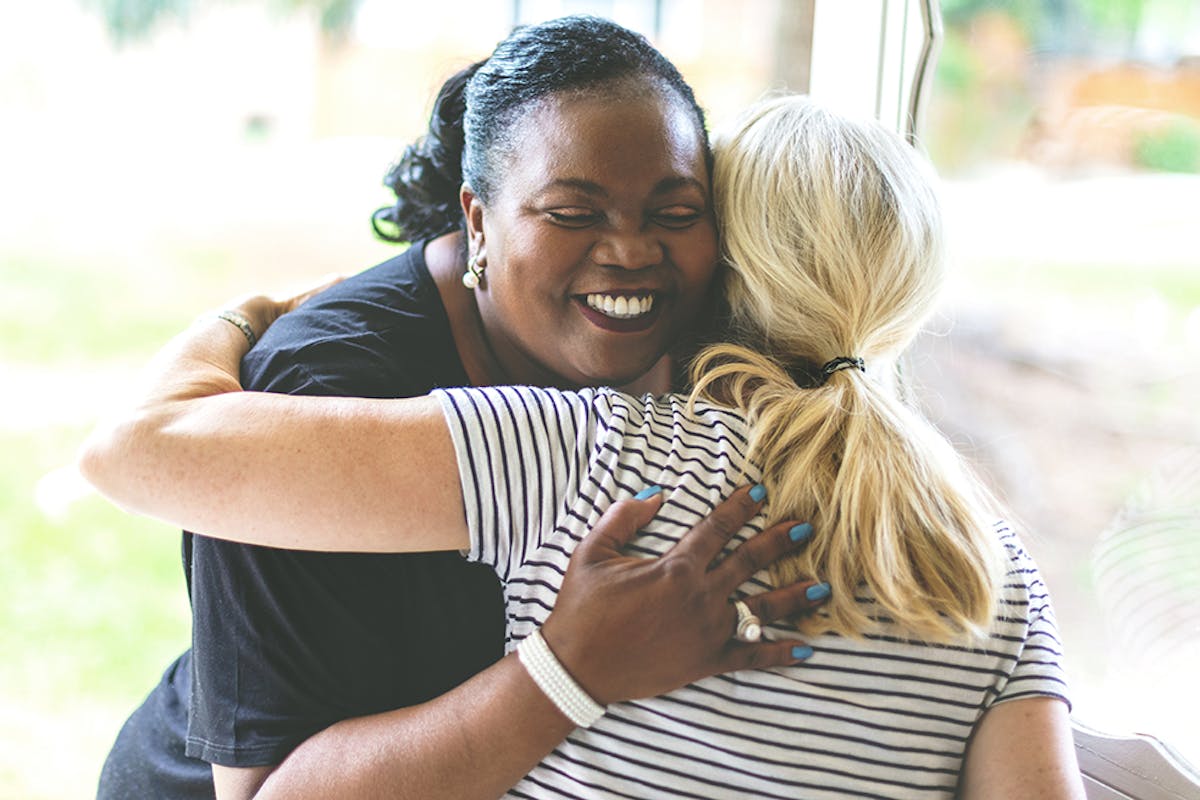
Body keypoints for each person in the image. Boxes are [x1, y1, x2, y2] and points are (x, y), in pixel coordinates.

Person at [82, 95, 1086, 798]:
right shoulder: (990, 567)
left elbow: (141, 455)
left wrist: (245, 315)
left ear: (720, 262)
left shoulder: (585, 454)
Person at [93, 16, 821, 800]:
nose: (634, 250)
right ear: (477, 219)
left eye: (674, 214)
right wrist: (568, 674)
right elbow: (264, 791)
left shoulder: (701, 342)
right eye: (574, 213)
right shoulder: (319, 386)